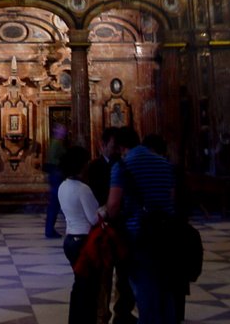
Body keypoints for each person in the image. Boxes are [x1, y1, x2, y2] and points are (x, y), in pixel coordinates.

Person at [105, 126, 177, 324]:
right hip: (166, 231)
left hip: (138, 233)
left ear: (120, 147)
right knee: (165, 285)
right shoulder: (164, 163)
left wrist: (112, 216)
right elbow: (171, 198)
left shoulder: (123, 166)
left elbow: (113, 205)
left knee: (143, 286)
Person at [85, 129, 135, 324]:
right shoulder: (93, 167)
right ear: (102, 145)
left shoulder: (124, 166)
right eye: (113, 147)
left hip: (122, 226)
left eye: (119, 148)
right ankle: (101, 314)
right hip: (102, 226)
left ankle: (123, 313)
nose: (116, 151)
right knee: (103, 276)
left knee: (124, 274)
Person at [58, 145, 101, 324]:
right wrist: (105, 210)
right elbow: (93, 218)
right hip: (84, 241)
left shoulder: (63, 186)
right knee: (89, 288)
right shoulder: (83, 189)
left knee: (79, 285)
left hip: (69, 240)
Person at [44, 123, 68, 237]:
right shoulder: (56, 143)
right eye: (62, 130)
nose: (64, 132)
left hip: (57, 175)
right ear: (56, 131)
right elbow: (53, 159)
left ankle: (51, 229)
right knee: (55, 203)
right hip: (56, 175)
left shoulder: (58, 143)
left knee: (56, 203)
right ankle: (49, 230)